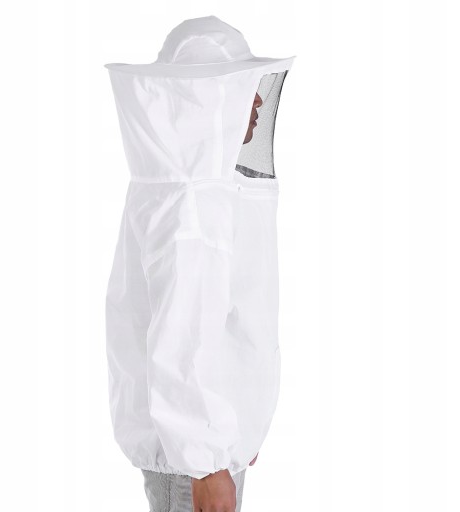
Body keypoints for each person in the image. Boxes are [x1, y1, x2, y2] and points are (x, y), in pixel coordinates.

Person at [104, 15, 295, 512]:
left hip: (205, 452)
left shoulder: (188, 190)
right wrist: (207, 461)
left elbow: (227, 317)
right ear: (203, 100)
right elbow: (181, 338)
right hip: (194, 465)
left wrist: (236, 429)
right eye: (238, 88)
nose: (256, 102)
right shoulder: (191, 204)